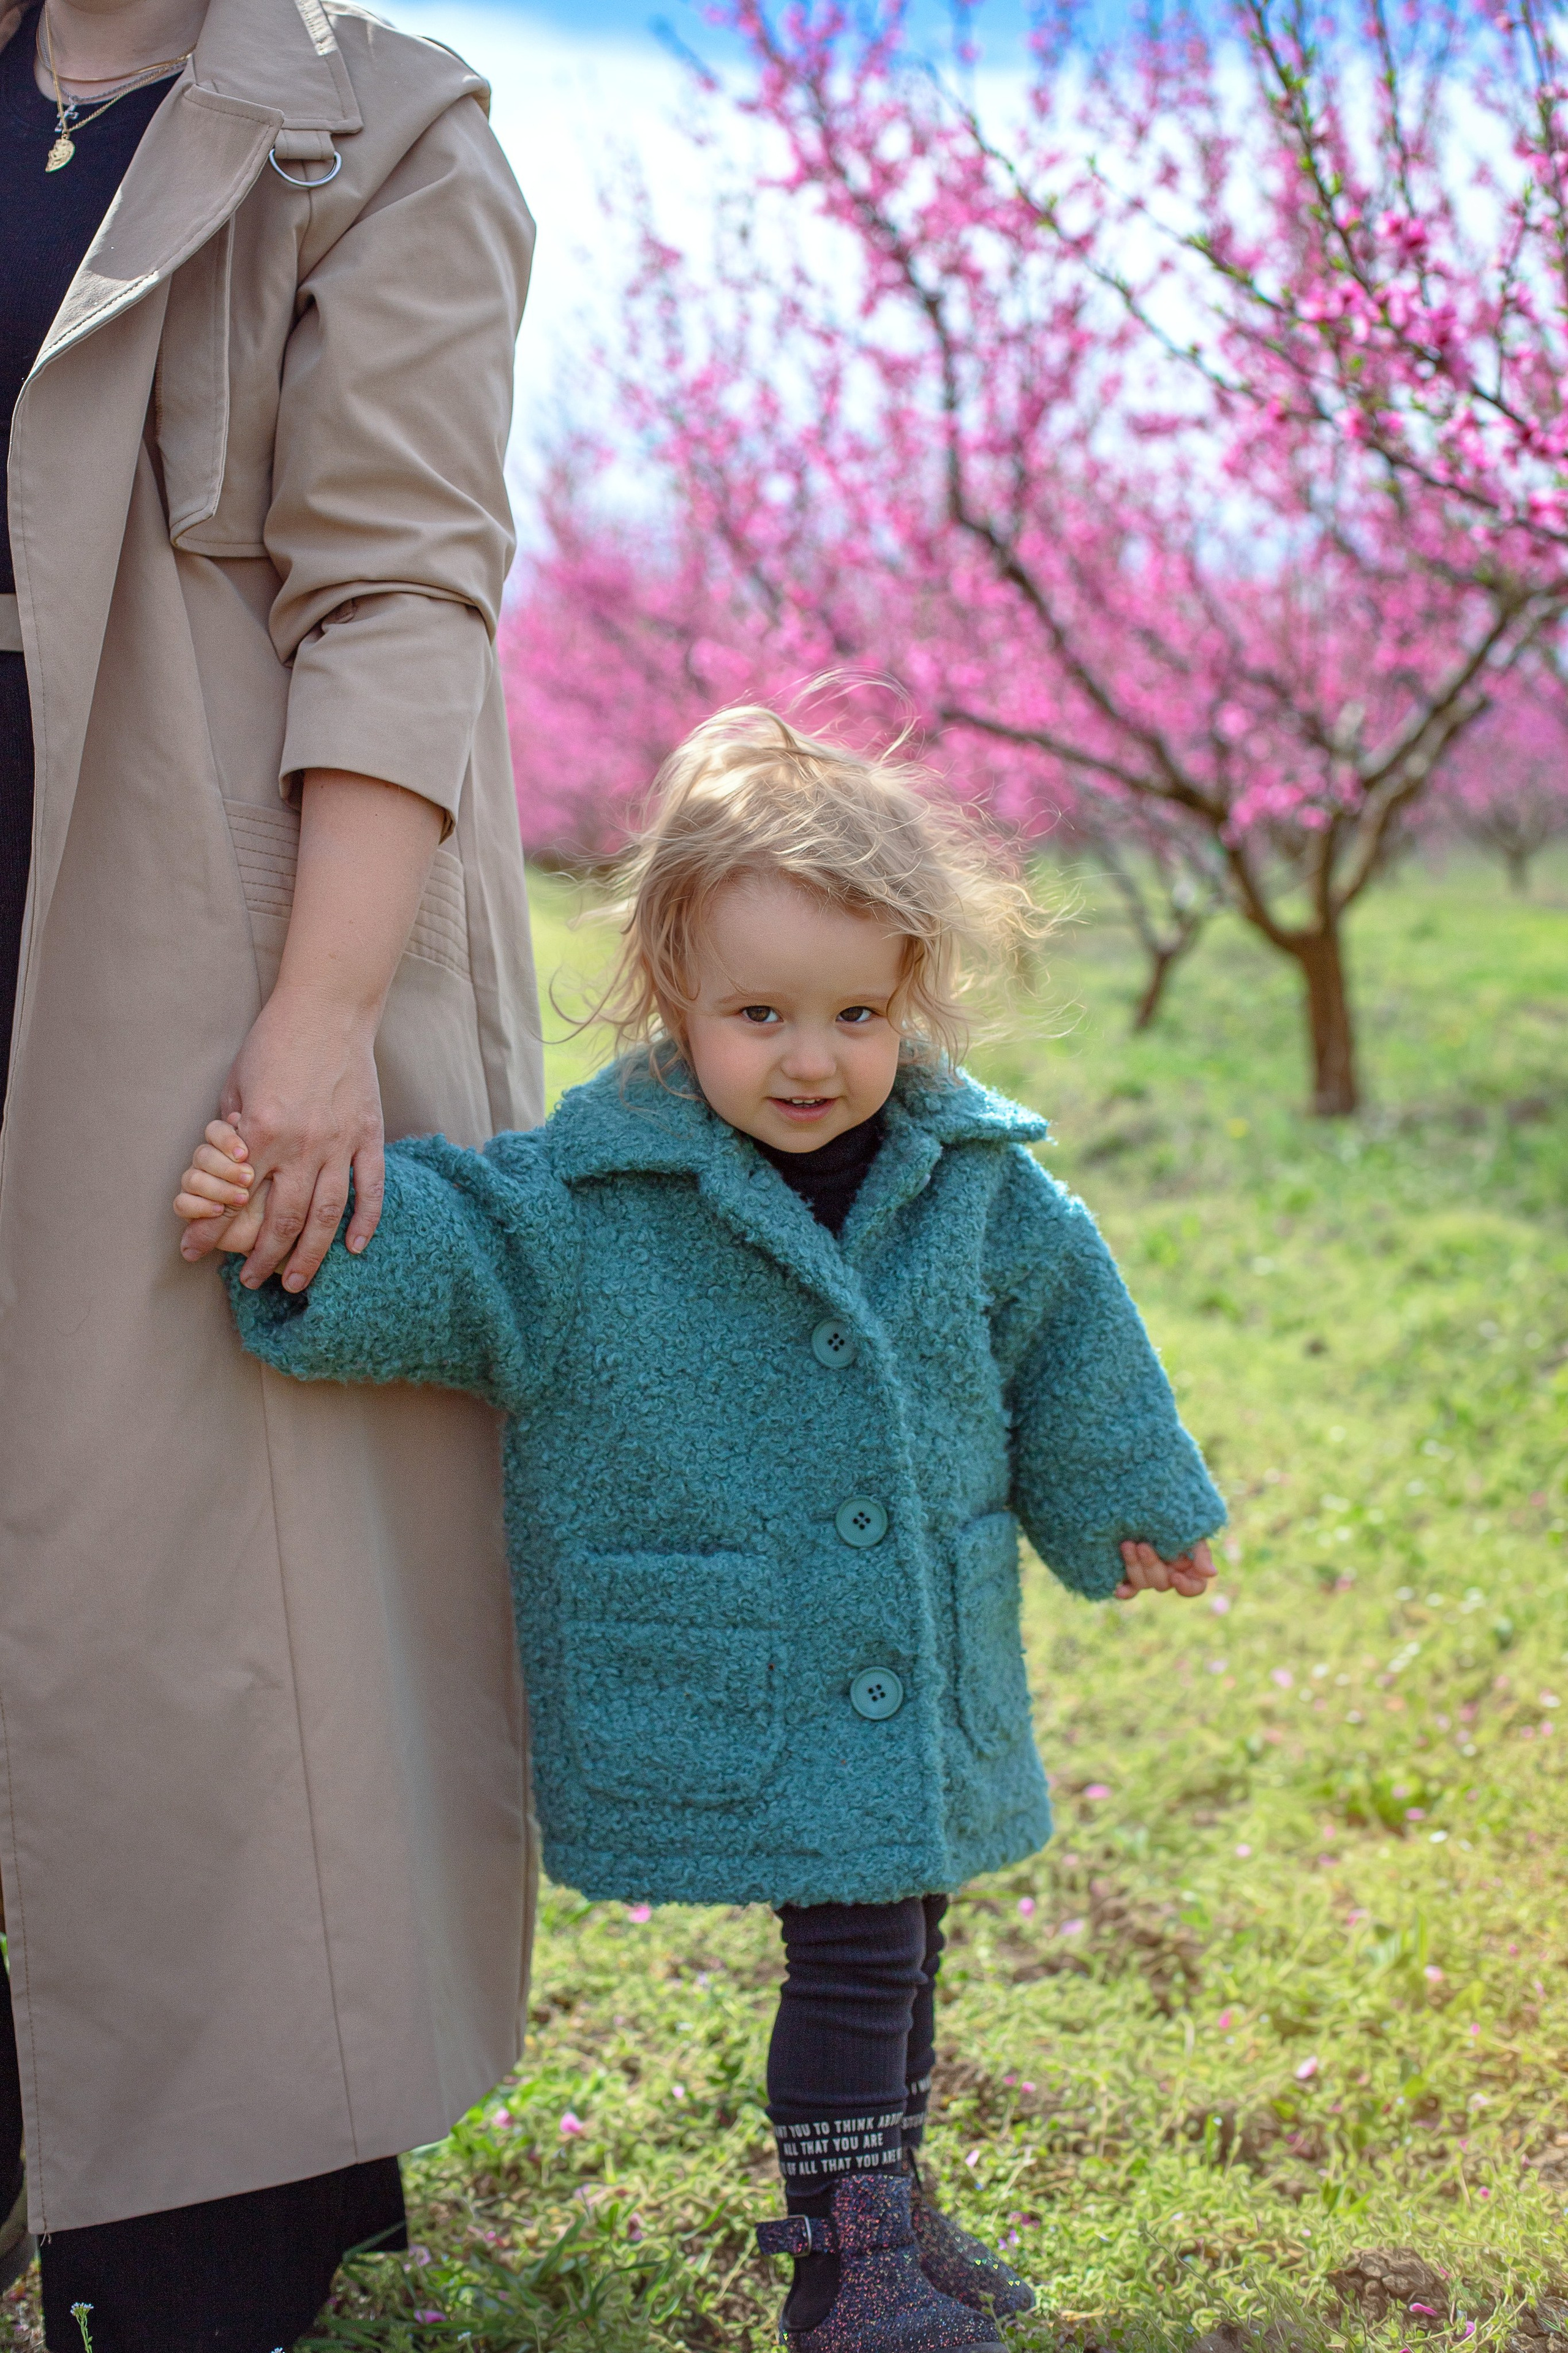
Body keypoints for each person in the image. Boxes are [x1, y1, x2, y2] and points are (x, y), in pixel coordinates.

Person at [175, 707, 1226, 2353]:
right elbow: (446, 1246)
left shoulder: (976, 1181)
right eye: (761, 1015)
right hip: (743, 1664)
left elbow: (1068, 1340)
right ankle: (843, 2263)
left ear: (915, 993)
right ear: (675, 993)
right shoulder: (593, 1203)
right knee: (861, 1957)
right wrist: (288, 1230)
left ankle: (890, 2214)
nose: (812, 1059)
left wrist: (1134, 1504)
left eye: (858, 1013)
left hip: (914, 1648)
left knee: (909, 1931)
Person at [0, 0, 544, 2343]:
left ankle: (203, 2222)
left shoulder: (390, 116)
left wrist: (317, 1020)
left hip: (173, 909)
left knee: (202, 1598)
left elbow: (402, 588)